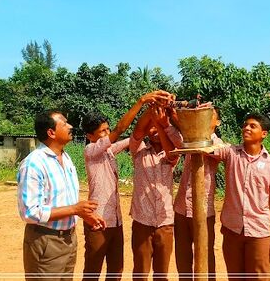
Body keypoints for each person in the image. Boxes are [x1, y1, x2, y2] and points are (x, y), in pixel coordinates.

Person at [81, 91, 174, 281]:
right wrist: (142, 102)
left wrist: (158, 113)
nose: (107, 134)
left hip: (115, 222)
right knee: (92, 271)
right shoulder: (92, 150)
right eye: (103, 132)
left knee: (116, 271)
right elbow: (122, 132)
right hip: (97, 220)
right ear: (90, 136)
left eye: (108, 130)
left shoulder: (108, 152)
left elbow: (135, 135)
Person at [17, 110, 106, 281]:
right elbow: (29, 212)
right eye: (64, 124)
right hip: (46, 241)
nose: (70, 126)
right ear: (51, 132)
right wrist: (74, 209)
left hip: (69, 239)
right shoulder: (33, 164)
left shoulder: (66, 158)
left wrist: (84, 214)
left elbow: (65, 201)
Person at [208, 113, 270, 281]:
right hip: (232, 229)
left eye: (252, 126)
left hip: (258, 231)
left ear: (264, 134)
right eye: (245, 125)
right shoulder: (230, 153)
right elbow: (206, 145)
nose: (246, 128)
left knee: (259, 277)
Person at [166, 108, 223, 281]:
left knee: (205, 256)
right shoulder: (188, 140)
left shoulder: (218, 144)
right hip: (182, 209)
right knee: (182, 259)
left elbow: (217, 151)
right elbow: (175, 137)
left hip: (204, 212)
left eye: (209, 116)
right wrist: (169, 116)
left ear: (217, 122)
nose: (203, 119)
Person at [129, 106, 180, 281]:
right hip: (142, 222)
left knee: (162, 274)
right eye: (150, 127)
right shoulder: (138, 152)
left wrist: (161, 125)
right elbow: (137, 131)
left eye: (157, 126)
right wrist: (151, 112)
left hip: (165, 224)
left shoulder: (171, 153)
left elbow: (171, 154)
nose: (154, 130)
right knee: (141, 272)